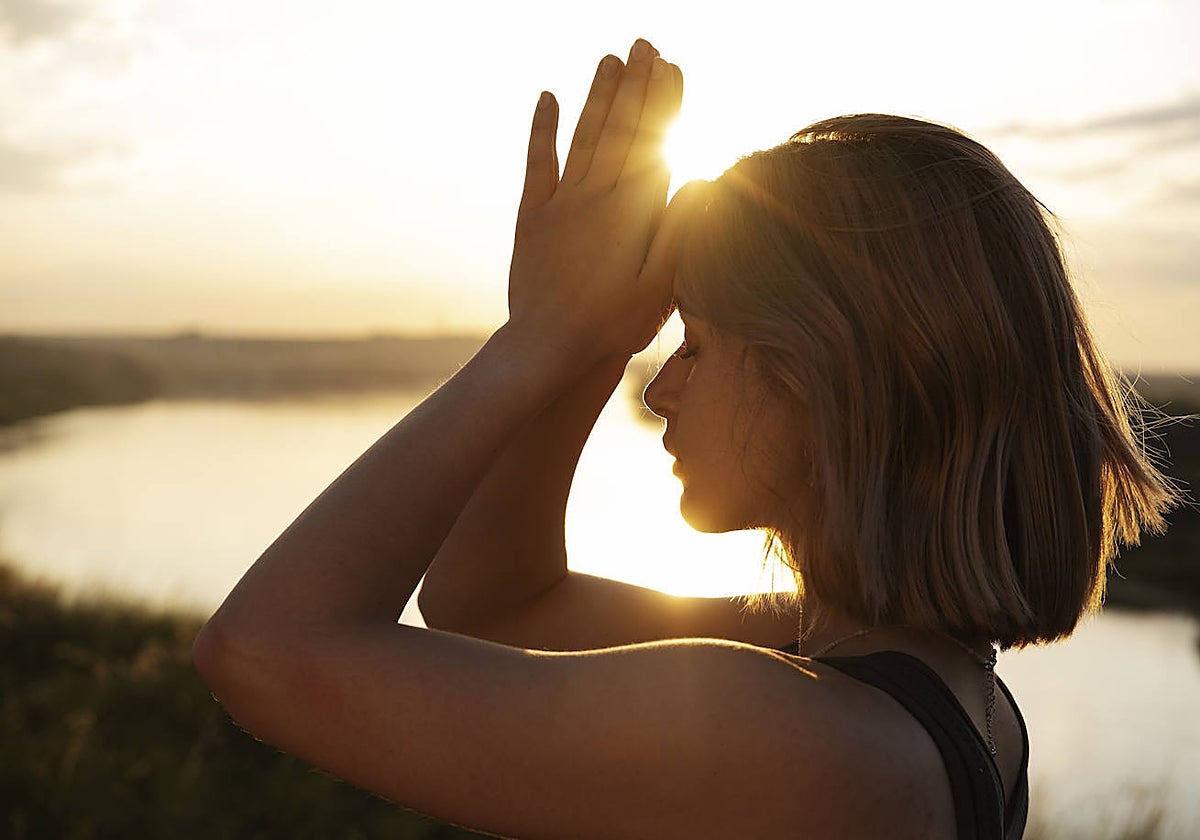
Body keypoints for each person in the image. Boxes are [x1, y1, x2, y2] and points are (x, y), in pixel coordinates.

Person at [193, 38, 1176, 839]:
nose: (660, 389)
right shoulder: (906, 684)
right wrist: (583, 341)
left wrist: (535, 341)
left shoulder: (792, 735)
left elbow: (266, 651)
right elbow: (491, 604)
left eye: (697, 343)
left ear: (826, 383)